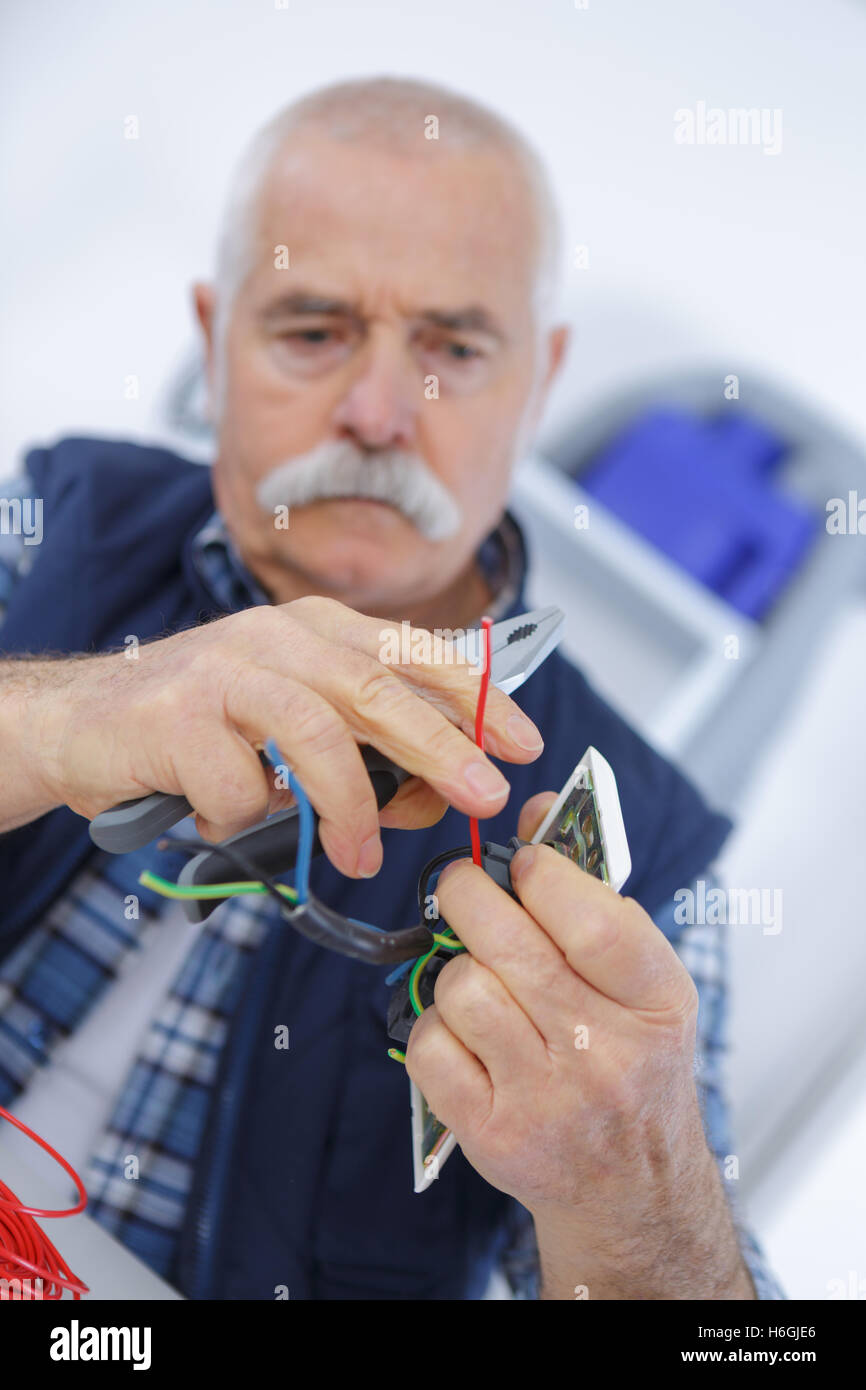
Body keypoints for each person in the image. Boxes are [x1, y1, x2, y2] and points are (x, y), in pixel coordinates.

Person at [0, 75, 783, 1300]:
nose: (375, 413)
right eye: (311, 331)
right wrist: (46, 718)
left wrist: (635, 1190)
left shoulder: (647, 842)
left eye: (452, 349)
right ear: (211, 339)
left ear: (538, 380)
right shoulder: (60, 518)